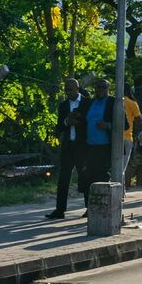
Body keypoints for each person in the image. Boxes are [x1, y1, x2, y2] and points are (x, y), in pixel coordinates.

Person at [49, 78, 84, 219]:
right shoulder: (63, 105)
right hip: (69, 145)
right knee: (64, 177)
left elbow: (90, 122)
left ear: (77, 88)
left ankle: (89, 208)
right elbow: (59, 127)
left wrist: (78, 122)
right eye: (66, 90)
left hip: (83, 146)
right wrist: (66, 121)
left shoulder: (86, 102)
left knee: (85, 176)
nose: (67, 92)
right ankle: (60, 209)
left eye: (70, 89)